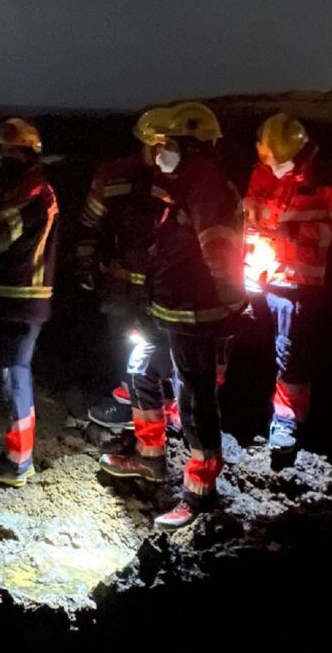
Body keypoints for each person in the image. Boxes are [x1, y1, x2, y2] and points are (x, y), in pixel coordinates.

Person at [98, 102, 245, 531]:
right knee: (140, 367)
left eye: (167, 144)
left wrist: (230, 304)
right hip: (169, 309)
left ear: (189, 145)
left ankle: (199, 495)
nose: (159, 152)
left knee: (195, 403)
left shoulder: (206, 186)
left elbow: (216, 253)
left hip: (195, 313)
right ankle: (150, 459)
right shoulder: (183, 182)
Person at [243, 113, 332, 450]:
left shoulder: (325, 178)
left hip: (296, 281)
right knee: (230, 341)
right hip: (256, 277)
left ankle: (285, 421)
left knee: (291, 353)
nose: (271, 163)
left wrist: (298, 232)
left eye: (277, 158)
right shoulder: (260, 173)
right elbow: (248, 221)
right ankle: (204, 406)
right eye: (266, 156)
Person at [0, 118, 60, 487]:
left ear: (25, 151)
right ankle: (19, 459)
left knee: (14, 376)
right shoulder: (26, 187)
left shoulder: (33, 192)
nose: (2, 158)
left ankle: (18, 465)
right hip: (16, 298)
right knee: (13, 373)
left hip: (23, 299)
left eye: (8, 151)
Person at [77, 109, 177, 435]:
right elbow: (89, 226)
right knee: (124, 342)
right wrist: (85, 266)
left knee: (162, 345)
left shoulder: (178, 181)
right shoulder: (114, 175)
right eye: (160, 143)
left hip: (160, 285)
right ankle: (127, 405)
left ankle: (167, 408)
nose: (164, 150)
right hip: (122, 282)